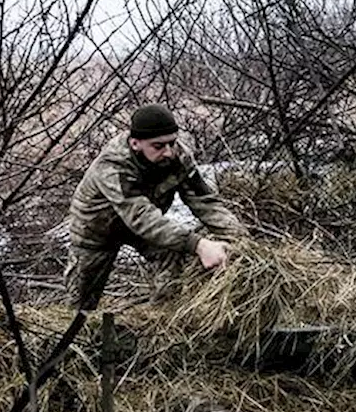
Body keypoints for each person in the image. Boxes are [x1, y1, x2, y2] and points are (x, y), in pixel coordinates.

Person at [66, 103, 246, 310]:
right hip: (96, 230)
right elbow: (140, 216)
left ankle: (161, 320)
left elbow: (204, 202)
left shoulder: (179, 157)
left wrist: (240, 239)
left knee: (171, 254)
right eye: (158, 146)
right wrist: (199, 244)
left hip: (147, 225)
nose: (168, 152)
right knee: (80, 303)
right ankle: (77, 337)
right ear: (135, 144)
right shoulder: (113, 165)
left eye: (172, 143)